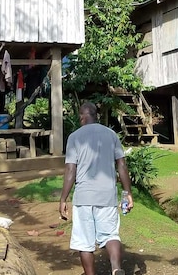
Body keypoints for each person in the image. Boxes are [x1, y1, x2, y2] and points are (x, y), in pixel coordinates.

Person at [59, 102, 133, 275]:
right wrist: (127, 193)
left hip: (84, 197)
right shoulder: (111, 134)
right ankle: (116, 269)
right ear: (96, 115)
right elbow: (121, 164)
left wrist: (63, 198)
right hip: (107, 196)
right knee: (111, 235)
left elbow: (71, 169)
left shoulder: (74, 137)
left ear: (82, 117)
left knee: (84, 242)